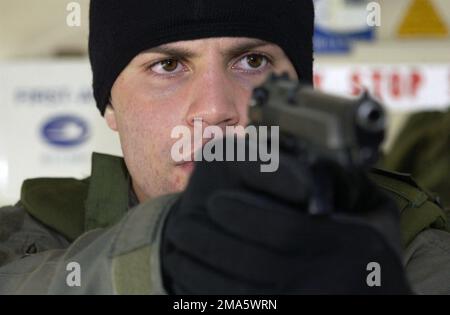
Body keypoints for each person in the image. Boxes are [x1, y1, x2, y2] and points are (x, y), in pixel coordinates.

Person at [0, 0, 448, 294]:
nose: (216, 109)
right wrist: (161, 261)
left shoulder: (402, 240)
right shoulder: (24, 240)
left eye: (252, 61)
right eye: (168, 65)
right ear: (110, 106)